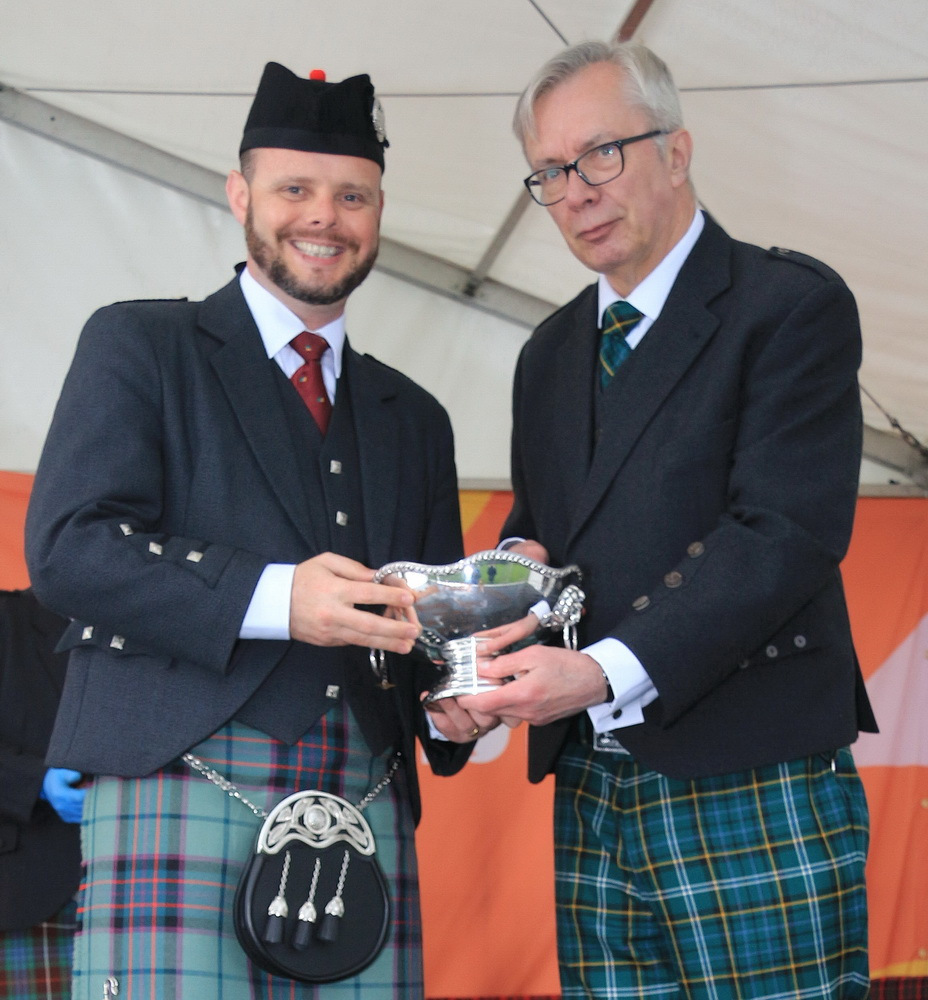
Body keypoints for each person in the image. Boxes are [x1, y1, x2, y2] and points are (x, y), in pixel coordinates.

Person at [25, 62, 486, 1000]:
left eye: (352, 195)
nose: (325, 217)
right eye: (294, 189)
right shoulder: (142, 345)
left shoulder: (415, 418)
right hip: (175, 776)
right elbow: (69, 547)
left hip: (362, 792)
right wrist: (279, 598)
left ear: (379, 212)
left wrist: (456, 705)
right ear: (240, 196)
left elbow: (431, 628)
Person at [461, 40, 877, 998]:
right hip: (592, 783)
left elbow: (785, 532)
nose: (577, 191)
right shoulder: (549, 352)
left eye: (601, 154)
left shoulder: (789, 307)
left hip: (753, 772)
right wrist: (494, 615)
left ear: (678, 151)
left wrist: (602, 671)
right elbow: (547, 529)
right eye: (551, 171)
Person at [0, 588, 82, 1000]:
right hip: (32, 886)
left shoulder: (162, 629)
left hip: (146, 876)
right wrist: (35, 783)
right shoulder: (6, 619)